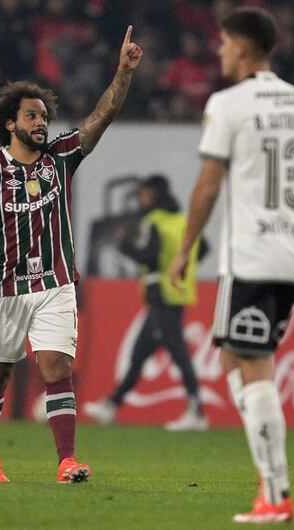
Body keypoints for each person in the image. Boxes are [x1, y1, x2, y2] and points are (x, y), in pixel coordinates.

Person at [0, 27, 143, 484]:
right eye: (32, 116)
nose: (41, 122)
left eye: (44, 116)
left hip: (55, 282)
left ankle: (66, 460)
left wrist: (122, 73)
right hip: (3, 289)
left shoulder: (61, 155)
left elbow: (101, 116)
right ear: (10, 123)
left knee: (56, 366)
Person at [168, 8, 294, 524]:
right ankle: (268, 473)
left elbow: (208, 183)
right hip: (289, 255)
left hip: (251, 257)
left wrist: (185, 247)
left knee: (251, 360)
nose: (218, 53)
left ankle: (276, 492)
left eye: (221, 44)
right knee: (233, 360)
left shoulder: (229, 104)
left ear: (241, 48)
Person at [83, 175, 209, 431]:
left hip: (161, 293)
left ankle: (196, 412)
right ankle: (112, 404)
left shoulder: (154, 222)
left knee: (178, 353)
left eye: (144, 193)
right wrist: (184, 267)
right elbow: (203, 248)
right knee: (140, 353)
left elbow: (149, 257)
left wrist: (124, 245)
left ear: (153, 195)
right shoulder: (182, 222)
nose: (141, 198)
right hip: (177, 293)